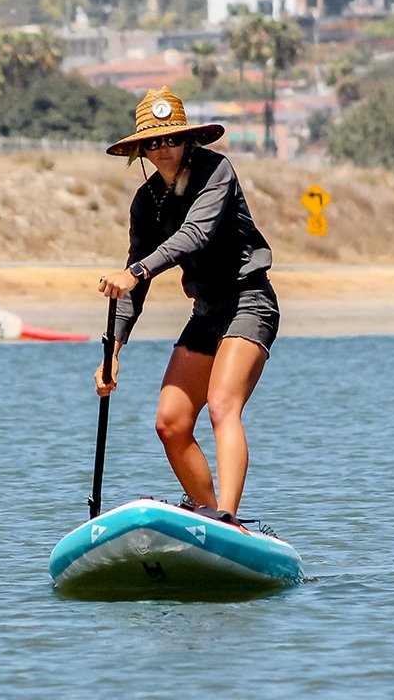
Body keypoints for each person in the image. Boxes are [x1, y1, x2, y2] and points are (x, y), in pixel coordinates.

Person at [95, 86, 280, 523]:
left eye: (172, 138)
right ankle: (206, 512)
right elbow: (132, 283)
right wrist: (112, 354)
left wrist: (137, 271)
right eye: (154, 141)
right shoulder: (146, 202)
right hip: (207, 313)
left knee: (221, 405)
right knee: (171, 422)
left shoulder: (216, 171)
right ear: (141, 147)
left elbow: (195, 234)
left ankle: (228, 521)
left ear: (188, 140)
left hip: (249, 302)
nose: (164, 148)